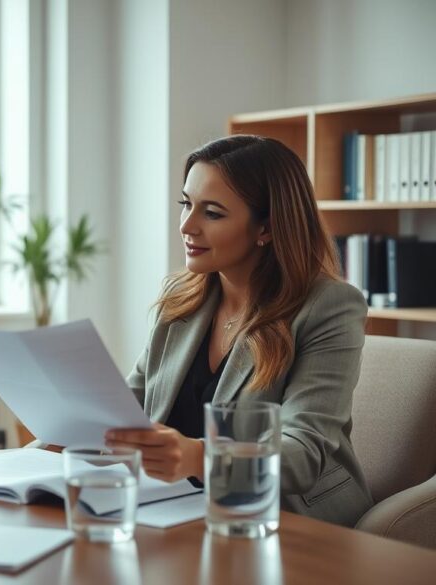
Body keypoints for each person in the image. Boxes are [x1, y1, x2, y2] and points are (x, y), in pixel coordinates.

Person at [106, 135, 373, 527]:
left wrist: (198, 457)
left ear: (265, 228)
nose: (186, 225)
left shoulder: (329, 307)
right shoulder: (181, 297)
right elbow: (131, 401)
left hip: (288, 519)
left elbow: (301, 453)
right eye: (186, 204)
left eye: (212, 213)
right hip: (180, 509)